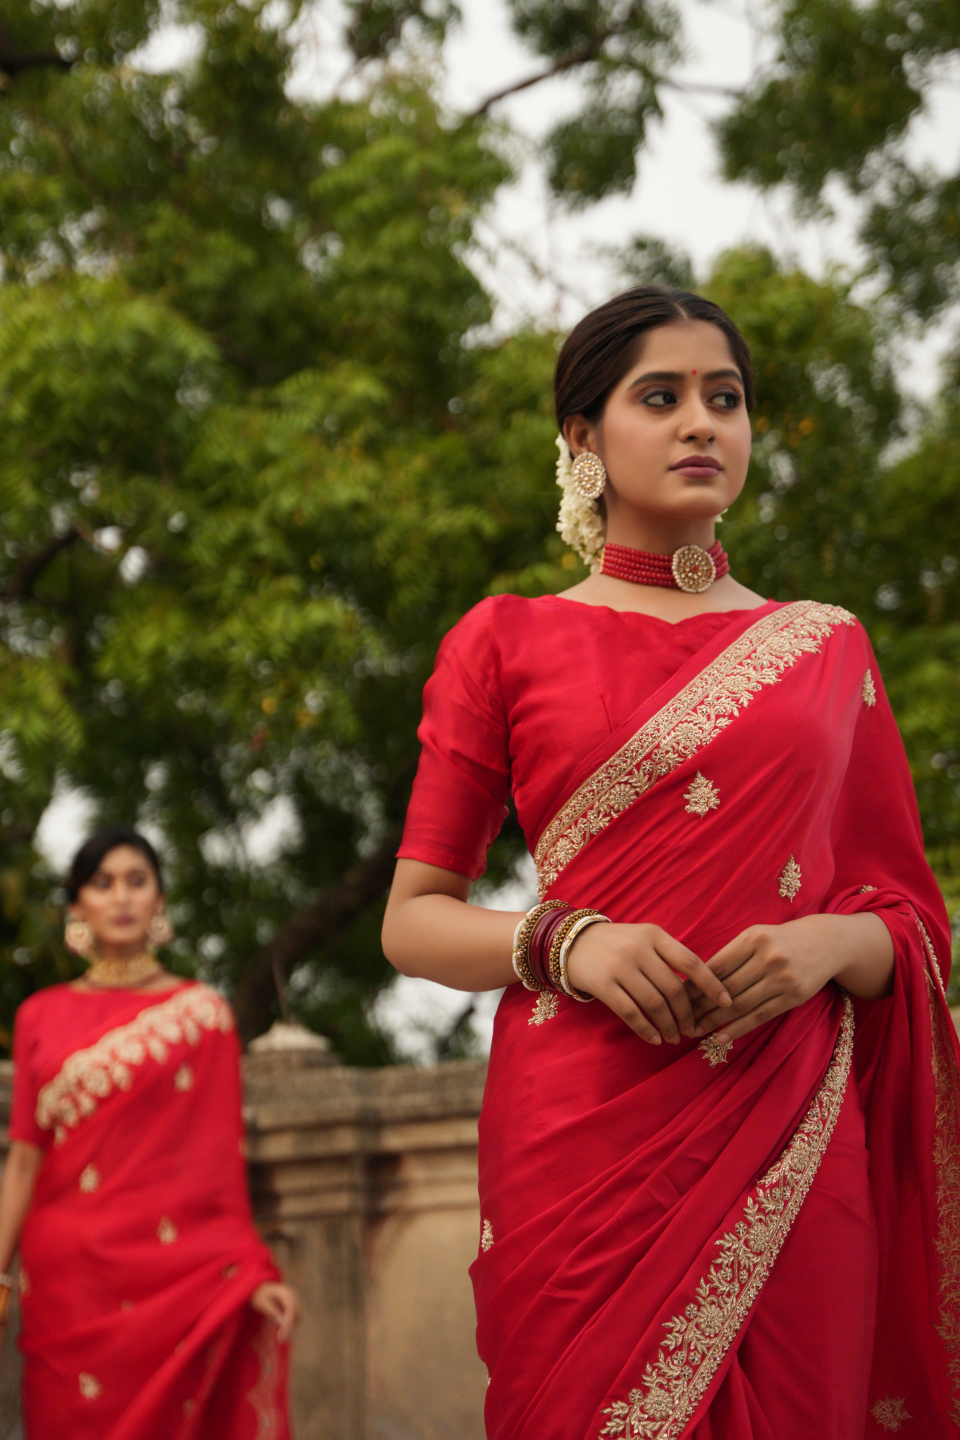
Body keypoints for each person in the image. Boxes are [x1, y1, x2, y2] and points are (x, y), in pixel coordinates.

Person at [381, 286, 960, 1439]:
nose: (703, 423)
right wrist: (567, 941)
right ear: (583, 442)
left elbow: (912, 921)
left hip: (791, 1118)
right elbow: (413, 918)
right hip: (580, 1131)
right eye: (663, 397)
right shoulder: (505, 638)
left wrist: (831, 944)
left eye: (725, 399)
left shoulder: (825, 644)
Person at [0, 825, 298, 1439]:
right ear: (77, 905)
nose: (121, 897)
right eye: (102, 884)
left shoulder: (201, 1016)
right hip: (66, 1281)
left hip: (169, 1279)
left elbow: (217, 1165)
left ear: (159, 900)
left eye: (137, 881)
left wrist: (249, 1273)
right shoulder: (39, 1015)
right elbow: (24, 1162)